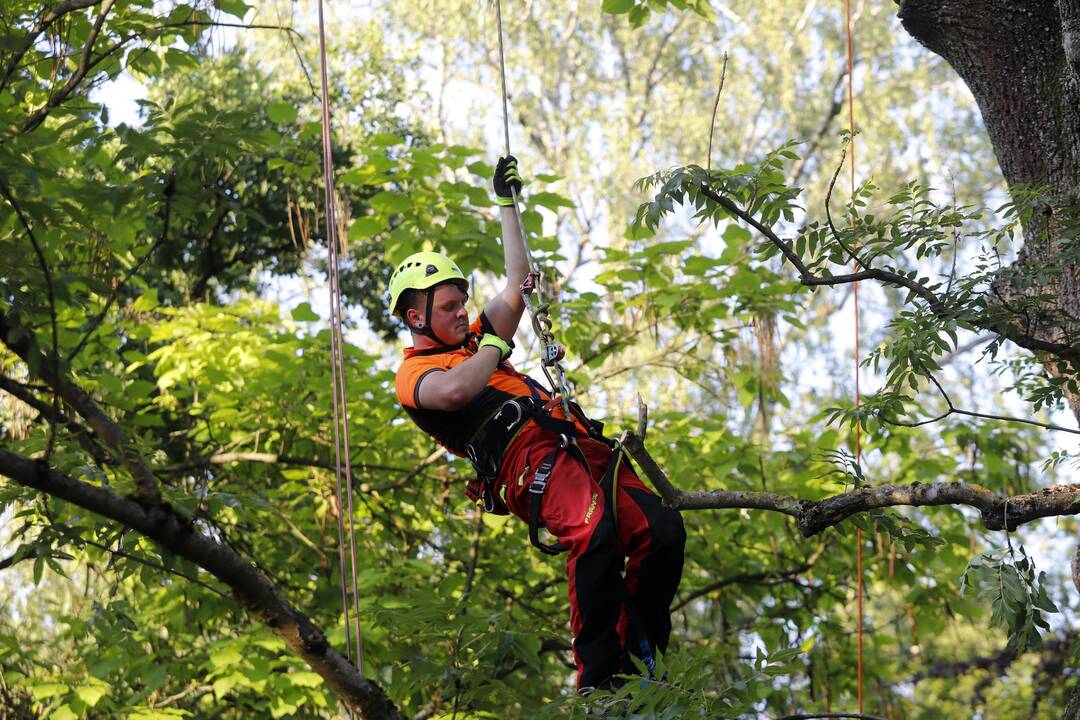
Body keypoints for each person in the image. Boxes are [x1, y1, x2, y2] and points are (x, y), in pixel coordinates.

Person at [390, 156, 685, 692]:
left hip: (574, 442)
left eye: (463, 303)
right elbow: (455, 393)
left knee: (661, 529)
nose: (462, 313)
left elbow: (515, 284)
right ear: (416, 317)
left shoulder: (478, 340)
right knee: (593, 533)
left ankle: (643, 659)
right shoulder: (416, 373)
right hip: (526, 462)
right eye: (450, 306)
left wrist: (506, 204)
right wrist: (497, 347)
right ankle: (599, 682)